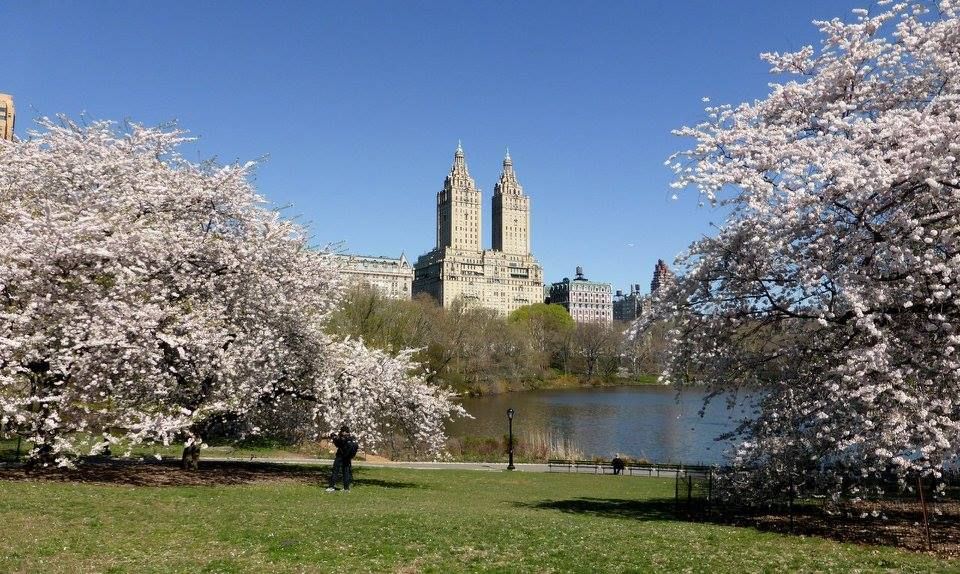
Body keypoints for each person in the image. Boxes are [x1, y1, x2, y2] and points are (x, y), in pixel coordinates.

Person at [326, 425, 359, 492]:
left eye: (341, 431)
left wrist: (334, 437)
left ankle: (331, 486)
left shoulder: (342, 438)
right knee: (346, 472)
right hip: (347, 457)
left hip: (340, 457)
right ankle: (346, 488)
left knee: (335, 471)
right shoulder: (351, 438)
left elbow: (337, 444)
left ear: (343, 431)